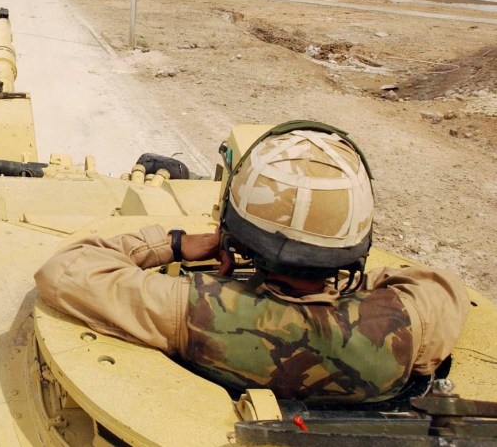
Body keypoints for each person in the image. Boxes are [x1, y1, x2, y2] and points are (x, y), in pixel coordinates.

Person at [35, 122, 470, 403]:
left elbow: (66, 269)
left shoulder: (189, 309)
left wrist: (175, 244)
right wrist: (355, 288)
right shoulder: (413, 325)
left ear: (234, 235)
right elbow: (441, 287)